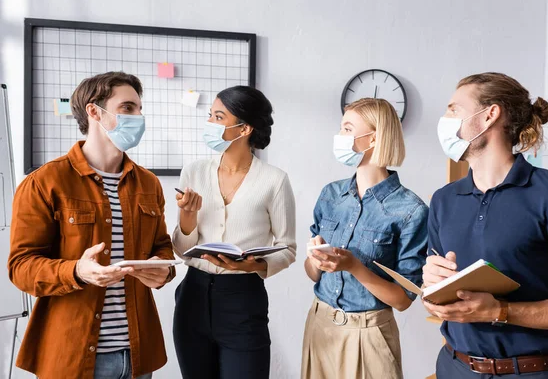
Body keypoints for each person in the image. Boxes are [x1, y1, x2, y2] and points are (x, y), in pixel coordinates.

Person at [424, 72, 548, 378]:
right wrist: (431, 286)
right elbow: (435, 300)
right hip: (453, 367)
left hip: (530, 372)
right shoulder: (443, 199)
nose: (445, 119)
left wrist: (499, 311)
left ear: (490, 115)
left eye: (454, 109)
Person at [8, 71, 176, 379]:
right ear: (94, 111)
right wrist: (77, 271)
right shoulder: (45, 182)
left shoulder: (149, 184)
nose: (138, 116)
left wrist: (161, 269)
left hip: (139, 355)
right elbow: (21, 267)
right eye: (127, 107)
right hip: (72, 356)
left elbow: (162, 247)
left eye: (139, 108)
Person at [171, 85, 296, 379]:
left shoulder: (274, 180)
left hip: (243, 299)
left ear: (245, 128)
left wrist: (256, 265)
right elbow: (180, 246)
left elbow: (287, 248)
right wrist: (187, 215)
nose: (210, 124)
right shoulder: (194, 171)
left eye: (218, 117)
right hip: (192, 295)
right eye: (210, 116)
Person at [301, 98, 428, 379]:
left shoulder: (411, 210)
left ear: (373, 138)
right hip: (320, 325)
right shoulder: (330, 195)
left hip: (369, 335)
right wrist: (315, 260)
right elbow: (312, 275)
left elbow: (403, 299)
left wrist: (354, 266)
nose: (340, 137)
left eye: (347, 129)